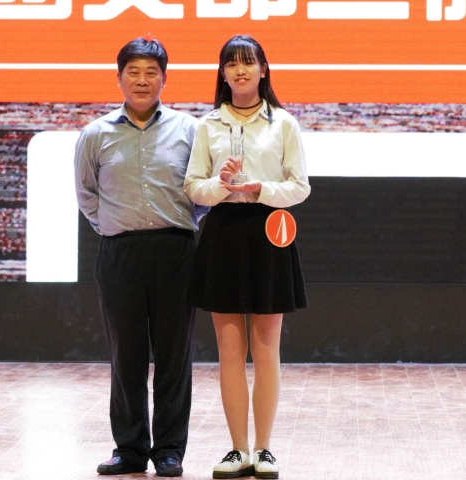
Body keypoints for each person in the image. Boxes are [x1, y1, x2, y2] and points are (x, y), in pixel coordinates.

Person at [74, 37, 206, 477]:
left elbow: (202, 191)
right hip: (120, 253)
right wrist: (114, 226)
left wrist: (180, 221)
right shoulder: (95, 134)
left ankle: (169, 450)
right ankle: (129, 449)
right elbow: (86, 195)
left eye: (152, 72)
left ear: (164, 79)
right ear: (119, 78)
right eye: (133, 72)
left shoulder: (189, 130)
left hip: (176, 251)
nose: (142, 80)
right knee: (125, 355)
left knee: (173, 356)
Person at [184, 35, 310, 479]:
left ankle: (264, 449)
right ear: (222, 73)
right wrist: (220, 184)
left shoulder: (284, 123)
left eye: (248, 62)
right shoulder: (207, 125)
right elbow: (193, 186)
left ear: (263, 69)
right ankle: (238, 450)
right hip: (223, 234)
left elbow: (300, 186)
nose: (240, 70)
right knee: (230, 351)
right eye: (232, 64)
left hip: (270, 232)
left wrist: (261, 189)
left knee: (267, 349)